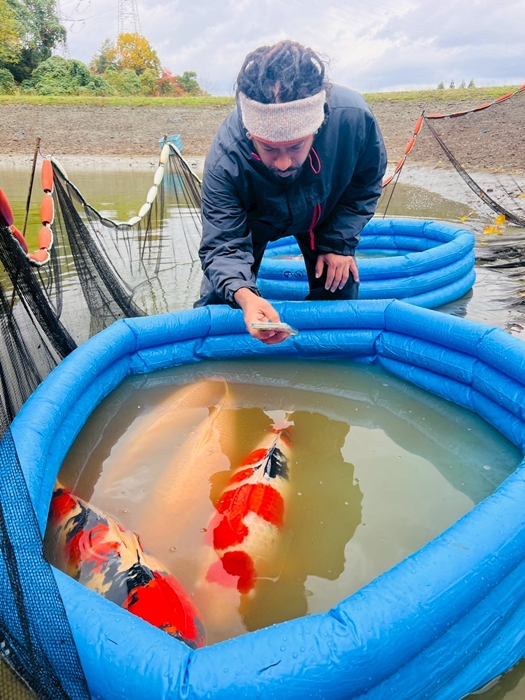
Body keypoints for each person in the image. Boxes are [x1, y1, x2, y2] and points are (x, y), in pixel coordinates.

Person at [195, 40, 387, 344]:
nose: (283, 163)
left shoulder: (353, 118)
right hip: (254, 221)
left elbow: (364, 184)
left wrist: (339, 242)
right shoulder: (226, 158)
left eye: (296, 146)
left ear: (317, 126)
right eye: (269, 148)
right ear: (251, 134)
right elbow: (222, 244)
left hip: (323, 214)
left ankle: (329, 359)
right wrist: (245, 296)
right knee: (224, 298)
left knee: (339, 284)